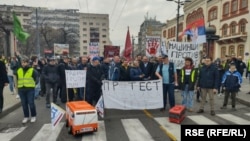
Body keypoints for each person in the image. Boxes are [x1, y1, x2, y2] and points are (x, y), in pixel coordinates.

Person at [17, 58, 38, 123]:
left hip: (30, 89)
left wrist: (33, 85)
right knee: (24, 104)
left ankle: (33, 116)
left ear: (28, 63)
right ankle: (26, 116)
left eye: (25, 62)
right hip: (21, 89)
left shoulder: (32, 70)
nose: (23, 63)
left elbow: (36, 79)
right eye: (22, 62)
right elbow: (18, 79)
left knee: (31, 103)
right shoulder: (19, 70)